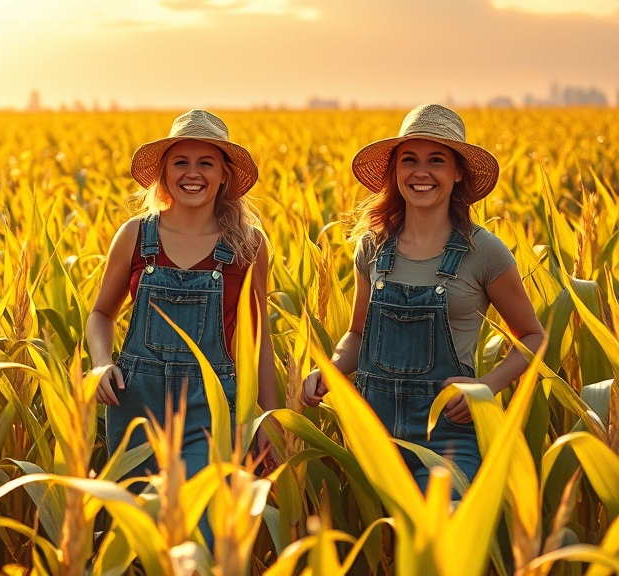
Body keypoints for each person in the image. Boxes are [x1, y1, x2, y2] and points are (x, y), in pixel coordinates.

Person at [301, 104, 544, 493]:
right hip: (375, 435)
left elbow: (533, 336)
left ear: (457, 172)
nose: (421, 172)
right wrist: (329, 370)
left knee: (441, 534)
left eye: (437, 160)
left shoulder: (484, 251)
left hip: (451, 435)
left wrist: (487, 386)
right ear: (395, 171)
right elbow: (358, 335)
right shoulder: (373, 248)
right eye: (409, 160)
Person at [87, 109, 279, 488]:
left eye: (206, 163)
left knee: (200, 525)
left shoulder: (248, 245)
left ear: (224, 174)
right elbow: (100, 314)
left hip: (211, 410)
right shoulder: (135, 236)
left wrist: (269, 418)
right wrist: (100, 362)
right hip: (136, 405)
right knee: (142, 530)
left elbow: (258, 341)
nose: (193, 173)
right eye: (181, 163)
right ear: (164, 173)